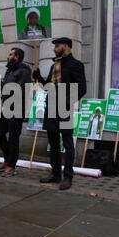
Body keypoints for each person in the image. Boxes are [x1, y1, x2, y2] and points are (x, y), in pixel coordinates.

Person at [32, 37, 87, 190]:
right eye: (54, 46)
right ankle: (56, 173)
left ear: (66, 46)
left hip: (64, 107)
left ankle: (68, 176)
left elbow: (82, 88)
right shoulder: (54, 65)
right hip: (51, 107)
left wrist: (67, 102)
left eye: (57, 46)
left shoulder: (76, 65)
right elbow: (49, 87)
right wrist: (39, 79)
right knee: (53, 142)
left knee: (68, 143)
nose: (54, 49)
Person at [0, 47, 31, 177]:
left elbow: (20, 90)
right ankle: (7, 159)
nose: (8, 56)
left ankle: (11, 165)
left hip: (17, 109)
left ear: (17, 57)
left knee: (13, 138)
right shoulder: (9, 71)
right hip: (6, 107)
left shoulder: (24, 71)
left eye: (10, 54)